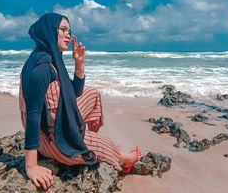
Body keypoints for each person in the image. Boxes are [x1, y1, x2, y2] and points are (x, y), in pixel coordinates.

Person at [18, 13, 142, 191]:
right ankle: (119, 156)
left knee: (93, 94)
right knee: (113, 149)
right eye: (62, 29)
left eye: (69, 30)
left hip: (60, 119)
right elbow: (33, 115)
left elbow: (74, 92)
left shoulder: (52, 59)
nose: (68, 34)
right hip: (52, 138)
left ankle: (83, 134)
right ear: (49, 31)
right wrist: (31, 166)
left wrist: (79, 64)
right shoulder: (41, 67)